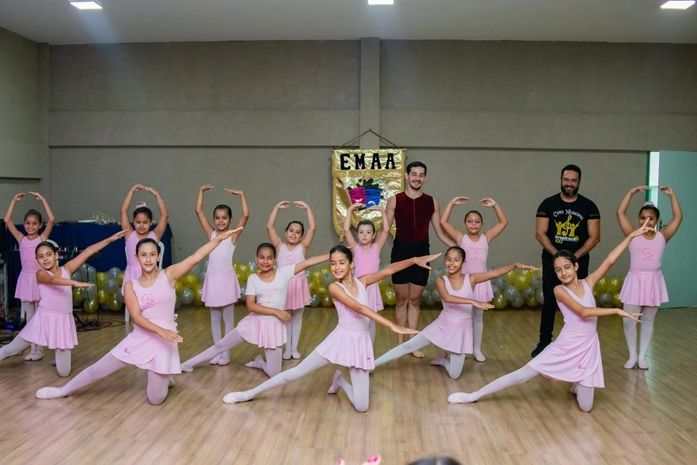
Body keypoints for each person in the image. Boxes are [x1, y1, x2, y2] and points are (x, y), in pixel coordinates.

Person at [448, 224, 650, 412]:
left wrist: (631, 236)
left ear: (576, 266)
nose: (563, 272)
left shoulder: (588, 283)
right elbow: (583, 312)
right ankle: (473, 395)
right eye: (558, 270)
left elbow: (610, 260)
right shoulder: (559, 290)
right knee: (521, 375)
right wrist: (616, 311)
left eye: (567, 267)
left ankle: (576, 384)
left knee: (586, 407)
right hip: (566, 345)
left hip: (588, 347)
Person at [222, 246, 437, 412]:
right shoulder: (334, 287)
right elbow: (359, 308)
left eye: (341, 262)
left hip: (360, 343)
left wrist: (414, 260)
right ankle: (249, 393)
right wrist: (391, 325)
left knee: (362, 406)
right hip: (340, 340)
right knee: (296, 372)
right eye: (333, 263)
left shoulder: (363, 282)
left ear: (351, 264)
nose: (336, 267)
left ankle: (340, 381)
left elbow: (388, 270)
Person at [35, 231, 239, 404]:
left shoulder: (169, 275)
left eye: (152, 254)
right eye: (143, 255)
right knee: (99, 369)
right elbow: (136, 317)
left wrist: (218, 239)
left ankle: (165, 376)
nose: (148, 259)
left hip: (164, 341)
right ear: (136, 257)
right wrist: (161, 330)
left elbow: (195, 257)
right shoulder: (131, 285)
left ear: (158, 256)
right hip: (142, 336)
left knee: (155, 399)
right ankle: (63, 390)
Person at [373, 247, 536, 379]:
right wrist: (472, 301)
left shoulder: (471, 279)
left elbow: (494, 273)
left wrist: (514, 265)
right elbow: (447, 297)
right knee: (408, 346)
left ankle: (443, 361)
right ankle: (372, 365)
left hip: (461, 331)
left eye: (456, 260)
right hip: (443, 325)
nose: (451, 263)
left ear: (463, 262)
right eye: (449, 259)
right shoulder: (441, 280)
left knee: (454, 375)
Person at [180, 243, 327, 377]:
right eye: (262, 257)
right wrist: (276, 311)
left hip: (273, 328)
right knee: (221, 345)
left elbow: (308, 262)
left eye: (269, 258)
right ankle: (187, 364)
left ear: (275, 260)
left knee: (274, 373)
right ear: (256, 259)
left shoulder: (284, 272)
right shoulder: (253, 278)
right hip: (255, 322)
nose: (265, 261)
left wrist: (332, 255)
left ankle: (259, 362)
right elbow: (251, 305)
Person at [0, 231, 127, 376]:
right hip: (43, 319)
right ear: (37, 260)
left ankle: (58, 356)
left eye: (48, 255)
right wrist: (73, 283)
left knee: (64, 372)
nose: (45, 259)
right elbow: (53, 280)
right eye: (41, 257)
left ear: (56, 255)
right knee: (10, 349)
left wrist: (110, 239)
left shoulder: (67, 269)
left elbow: (88, 251)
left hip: (62, 321)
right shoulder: (40, 274)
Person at [384, 161, 455, 357]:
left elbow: (439, 232)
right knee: (401, 299)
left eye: (421, 175)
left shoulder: (432, 202)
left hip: (423, 252)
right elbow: (384, 230)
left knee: (415, 300)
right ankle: (399, 344)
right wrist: (368, 250)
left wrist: (456, 246)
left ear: (425, 178)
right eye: (413, 174)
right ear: (406, 176)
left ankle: (412, 345)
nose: (417, 178)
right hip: (400, 253)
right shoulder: (395, 200)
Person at [531, 164, 600, 357]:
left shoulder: (589, 206)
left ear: (579, 182)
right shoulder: (547, 204)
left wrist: (573, 258)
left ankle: (578, 344)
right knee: (550, 302)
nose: (569, 183)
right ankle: (544, 343)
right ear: (561, 180)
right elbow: (540, 233)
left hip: (579, 262)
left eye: (573, 180)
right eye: (566, 180)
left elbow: (594, 237)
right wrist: (558, 257)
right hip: (552, 262)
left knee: (579, 303)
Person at [617, 185, 682, 370]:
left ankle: (643, 356)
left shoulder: (663, 236)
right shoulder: (632, 235)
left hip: (653, 281)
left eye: (651, 218)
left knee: (648, 321)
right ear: (638, 219)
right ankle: (632, 355)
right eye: (642, 218)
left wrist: (672, 195)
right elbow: (620, 212)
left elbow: (678, 217)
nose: (646, 221)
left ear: (657, 220)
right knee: (628, 320)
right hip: (635, 281)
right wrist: (630, 193)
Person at [440, 195, 508, 361]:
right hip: (463, 284)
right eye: (470, 221)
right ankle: (453, 347)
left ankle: (476, 349)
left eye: (477, 221)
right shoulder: (460, 238)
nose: (473, 224)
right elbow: (443, 222)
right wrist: (451, 203)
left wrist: (495, 205)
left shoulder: (486, 237)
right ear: (465, 224)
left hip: (480, 284)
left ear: (481, 224)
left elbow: (503, 222)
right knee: (457, 318)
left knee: (477, 318)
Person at [195, 184, 249, 366]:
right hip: (213, 279)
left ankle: (226, 354)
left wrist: (241, 195)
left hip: (226, 280)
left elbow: (246, 215)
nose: (220, 221)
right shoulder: (211, 234)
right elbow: (198, 211)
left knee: (228, 319)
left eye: (224, 218)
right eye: (217, 218)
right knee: (214, 319)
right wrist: (201, 192)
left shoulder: (233, 235)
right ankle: (217, 352)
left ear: (230, 220)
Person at [3, 191, 55, 361]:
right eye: (27, 223)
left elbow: (52, 219)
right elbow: (7, 220)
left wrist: (43, 200)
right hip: (25, 280)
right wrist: (13, 201)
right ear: (24, 224)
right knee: (30, 318)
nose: (30, 226)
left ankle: (39, 349)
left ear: (39, 225)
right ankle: (32, 348)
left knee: (39, 317)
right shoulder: (21, 239)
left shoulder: (42, 238)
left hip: (38, 279)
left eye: (34, 224)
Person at [266, 200, 316, 360]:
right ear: (285, 232)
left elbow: (312, 228)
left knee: (297, 318)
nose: (294, 234)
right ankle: (287, 349)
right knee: (286, 318)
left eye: (298, 232)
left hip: (298, 286)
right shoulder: (279, 246)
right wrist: (276, 208)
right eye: (291, 231)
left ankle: (294, 348)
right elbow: (269, 227)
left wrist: (308, 208)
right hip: (284, 287)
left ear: (301, 236)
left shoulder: (303, 247)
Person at [343, 202, 390, 342]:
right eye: (361, 232)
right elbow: (346, 229)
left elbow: (386, 230)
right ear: (357, 235)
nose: (364, 235)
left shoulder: (377, 247)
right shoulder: (354, 248)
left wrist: (382, 211)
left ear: (373, 235)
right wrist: (350, 209)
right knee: (357, 321)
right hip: (358, 289)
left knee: (371, 322)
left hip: (372, 290)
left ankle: (369, 350)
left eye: (368, 232)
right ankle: (358, 348)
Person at [119, 184, 169, 299]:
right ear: (133, 221)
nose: (141, 225)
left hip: (151, 275)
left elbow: (165, 216)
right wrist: (131, 191)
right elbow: (123, 212)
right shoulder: (129, 234)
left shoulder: (155, 235)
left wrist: (156, 195)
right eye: (138, 222)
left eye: (145, 222)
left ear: (151, 222)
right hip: (132, 275)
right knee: (133, 304)